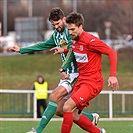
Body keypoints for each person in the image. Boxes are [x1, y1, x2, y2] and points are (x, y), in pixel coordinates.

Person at [9, 8, 99, 133]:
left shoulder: (71, 32)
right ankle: (92, 120)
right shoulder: (56, 35)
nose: (56, 27)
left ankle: (37, 131)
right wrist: (21, 50)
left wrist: (63, 67)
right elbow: (42, 45)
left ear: (64, 19)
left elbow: (73, 50)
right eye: (53, 25)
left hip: (77, 74)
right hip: (67, 74)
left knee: (54, 96)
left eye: (58, 23)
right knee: (59, 110)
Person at [59, 12, 119, 133]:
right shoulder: (74, 41)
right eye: (68, 29)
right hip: (81, 81)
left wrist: (112, 75)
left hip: (92, 83)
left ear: (80, 26)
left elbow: (112, 52)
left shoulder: (91, 40)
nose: (70, 32)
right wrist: (64, 57)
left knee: (67, 107)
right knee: (69, 113)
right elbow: (75, 52)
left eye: (72, 29)